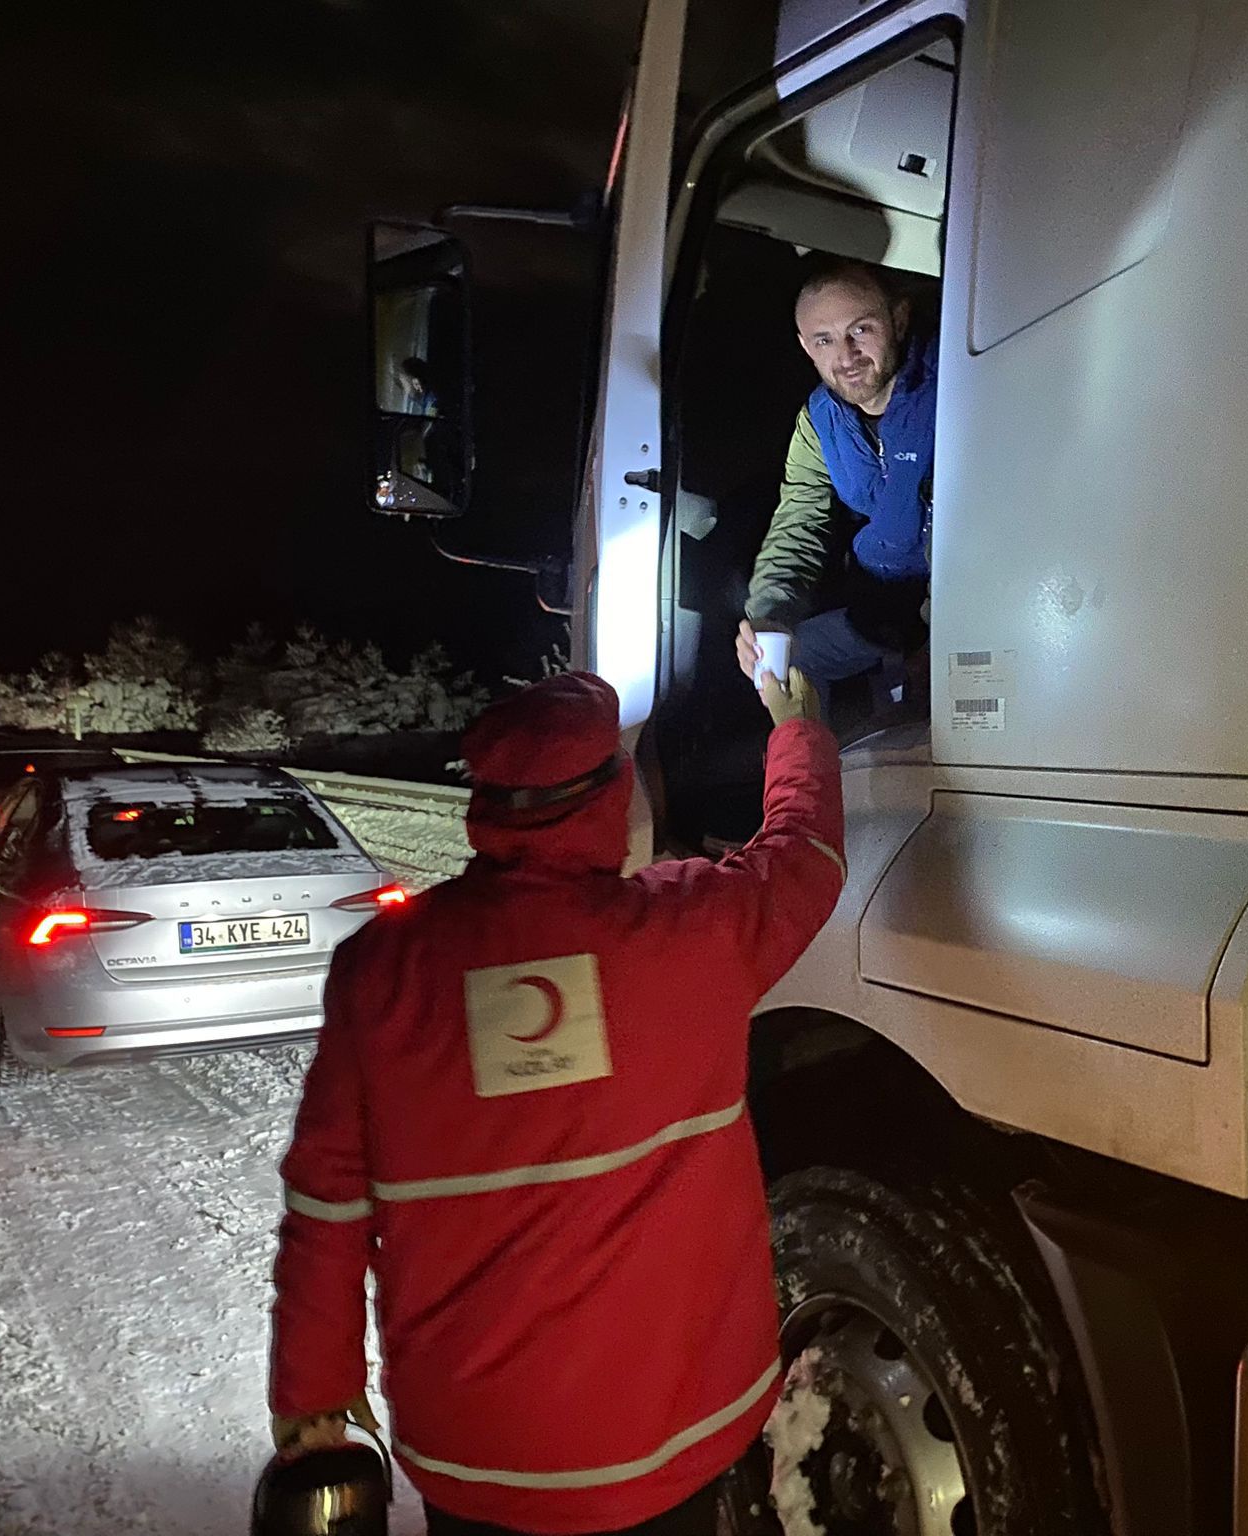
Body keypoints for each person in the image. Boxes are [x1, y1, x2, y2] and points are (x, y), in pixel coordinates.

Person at [267, 663, 845, 1536]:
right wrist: (794, 728)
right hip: (676, 1439)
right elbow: (804, 854)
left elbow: (325, 1202)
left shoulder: (384, 971)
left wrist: (313, 1394)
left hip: (476, 1459)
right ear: (612, 800)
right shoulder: (693, 931)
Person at [735, 263, 936, 716]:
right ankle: (812, 775)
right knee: (784, 666)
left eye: (860, 330)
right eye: (824, 340)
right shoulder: (819, 421)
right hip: (882, 607)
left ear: (898, 321)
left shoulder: (952, 387)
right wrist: (769, 615)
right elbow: (800, 519)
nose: (846, 355)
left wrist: (937, 638)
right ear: (806, 347)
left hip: (961, 607)